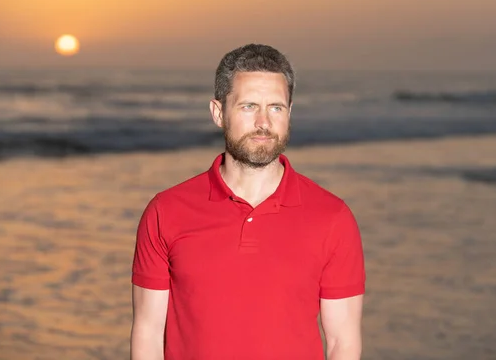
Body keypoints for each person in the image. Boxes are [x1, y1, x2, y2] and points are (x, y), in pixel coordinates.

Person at [130, 43, 365, 360]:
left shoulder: (333, 217)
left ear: (289, 114)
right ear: (218, 113)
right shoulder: (166, 211)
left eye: (276, 108)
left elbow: (343, 344)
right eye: (249, 106)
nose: (264, 122)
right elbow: (148, 334)